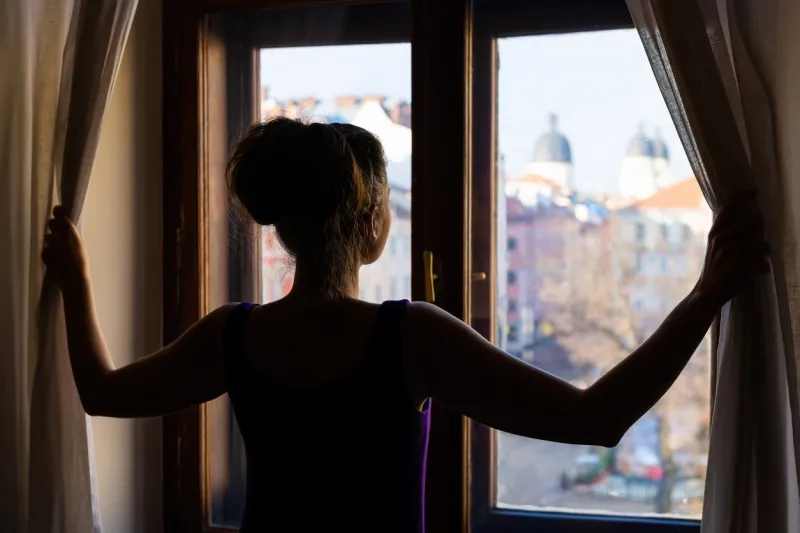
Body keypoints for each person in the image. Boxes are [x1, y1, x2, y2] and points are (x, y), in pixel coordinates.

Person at [42, 118, 768, 532]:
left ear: (282, 225)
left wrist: (75, 277)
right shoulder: (409, 336)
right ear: (371, 222)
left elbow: (102, 392)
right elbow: (597, 417)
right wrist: (705, 295)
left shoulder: (232, 335)